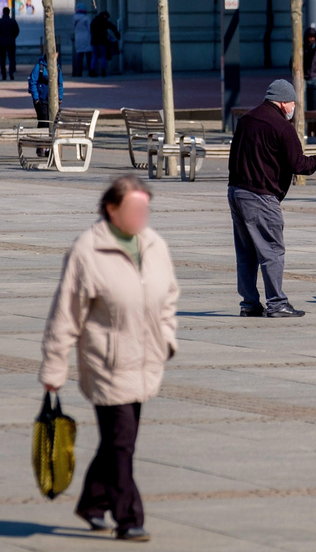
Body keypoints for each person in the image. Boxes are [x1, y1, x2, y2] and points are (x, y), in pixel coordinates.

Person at [39, 175, 179, 543]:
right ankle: (128, 517)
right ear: (111, 209)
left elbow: (169, 296)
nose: (140, 215)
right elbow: (65, 314)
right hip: (106, 361)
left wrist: (166, 337)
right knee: (121, 442)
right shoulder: (87, 251)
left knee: (119, 439)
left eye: (144, 208)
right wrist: (54, 365)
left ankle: (92, 502)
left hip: (146, 358)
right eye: (133, 208)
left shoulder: (153, 244)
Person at [227, 79, 316, 318]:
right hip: (261, 196)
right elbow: (298, 164)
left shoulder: (247, 120)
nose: (293, 107)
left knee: (246, 253)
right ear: (283, 102)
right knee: (271, 251)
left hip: (237, 192)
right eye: (292, 103)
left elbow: (234, 157)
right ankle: (277, 303)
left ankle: (249, 304)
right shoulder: (281, 126)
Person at [90, 10, 119, 77]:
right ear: (105, 16)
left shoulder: (94, 21)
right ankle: (103, 71)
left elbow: (91, 30)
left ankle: (92, 70)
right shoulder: (104, 22)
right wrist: (116, 33)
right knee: (103, 56)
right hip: (102, 42)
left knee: (94, 56)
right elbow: (112, 27)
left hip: (94, 41)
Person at [73, 3, 92, 77]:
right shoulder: (87, 18)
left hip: (78, 38)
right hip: (87, 37)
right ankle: (90, 71)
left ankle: (78, 72)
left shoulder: (74, 18)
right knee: (88, 57)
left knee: (79, 57)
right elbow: (90, 28)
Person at [0, 6, 19, 81]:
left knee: (2, 60)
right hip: (11, 42)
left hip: (1, 43)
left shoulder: (0, 22)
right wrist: (13, 37)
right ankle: (11, 73)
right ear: (9, 12)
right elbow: (17, 31)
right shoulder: (12, 21)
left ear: (3, 12)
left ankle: (3, 75)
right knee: (12, 59)